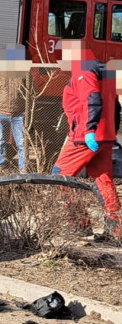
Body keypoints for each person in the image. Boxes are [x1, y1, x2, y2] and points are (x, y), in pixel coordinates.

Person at [51, 41, 120, 239]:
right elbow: (115, 106)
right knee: (104, 180)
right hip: (105, 136)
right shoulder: (105, 71)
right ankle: (116, 229)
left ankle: (79, 224)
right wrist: (111, 132)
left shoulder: (84, 70)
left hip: (85, 137)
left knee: (59, 177)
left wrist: (89, 130)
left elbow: (92, 98)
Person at [0, 56, 32, 172]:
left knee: (22, 143)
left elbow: (32, 92)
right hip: (1, 114)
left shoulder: (24, 73)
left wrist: (27, 110)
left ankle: (23, 170)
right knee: (0, 142)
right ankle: (0, 168)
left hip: (19, 115)